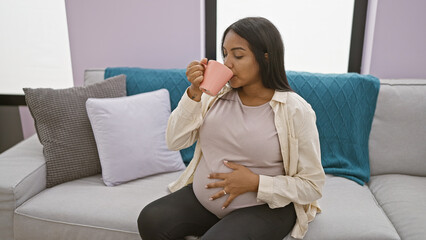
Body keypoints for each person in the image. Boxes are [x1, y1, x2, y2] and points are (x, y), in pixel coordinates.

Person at [138, 17, 325, 240]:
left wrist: (256, 182)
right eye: (225, 54)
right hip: (205, 203)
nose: (227, 63)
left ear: (265, 58)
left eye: (238, 55)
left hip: (265, 208)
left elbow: (312, 186)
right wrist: (194, 94)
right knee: (151, 219)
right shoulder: (213, 96)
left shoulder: (296, 111)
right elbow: (174, 141)